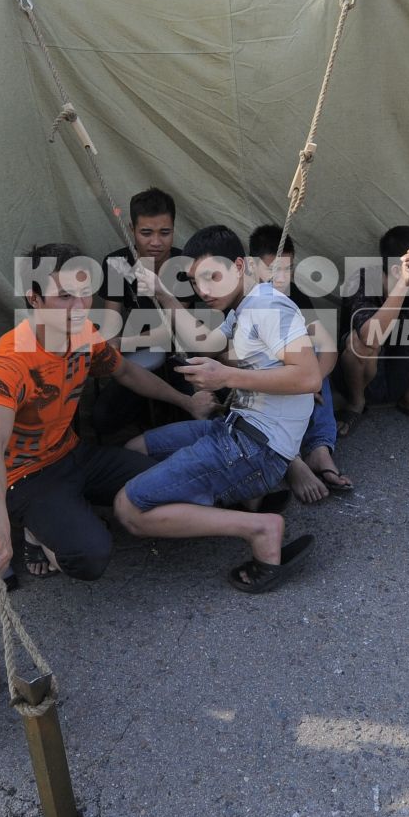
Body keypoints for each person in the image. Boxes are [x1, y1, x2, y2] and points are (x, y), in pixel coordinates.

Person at [0, 243, 212, 585]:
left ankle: (68, 514)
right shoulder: (6, 364)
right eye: (65, 296)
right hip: (25, 477)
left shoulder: (82, 332)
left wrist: (187, 403)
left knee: (172, 484)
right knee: (89, 557)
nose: (79, 307)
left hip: (74, 453)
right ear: (34, 299)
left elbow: (126, 372)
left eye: (85, 294)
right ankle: (35, 534)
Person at [113, 224, 318, 593]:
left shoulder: (269, 307)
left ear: (239, 266)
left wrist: (226, 377)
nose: (203, 290)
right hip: (237, 431)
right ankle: (237, 497)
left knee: (128, 508)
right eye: (195, 281)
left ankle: (260, 530)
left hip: (257, 450)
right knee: (135, 451)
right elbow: (204, 341)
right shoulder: (245, 306)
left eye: (212, 276)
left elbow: (308, 377)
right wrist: (162, 292)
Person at [248, 224, 352, 502]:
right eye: (272, 270)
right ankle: (291, 460)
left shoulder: (294, 294)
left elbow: (328, 346)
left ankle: (319, 449)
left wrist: (312, 380)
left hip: (295, 377)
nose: (280, 278)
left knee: (316, 359)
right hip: (259, 383)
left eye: (286, 269)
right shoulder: (245, 298)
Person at [92, 187, 194, 434]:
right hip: (137, 359)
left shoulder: (184, 265)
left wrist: (123, 341)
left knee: (191, 417)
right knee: (101, 418)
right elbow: (111, 322)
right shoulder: (117, 264)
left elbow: (173, 330)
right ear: (131, 229)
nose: (156, 242)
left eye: (165, 233)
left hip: (180, 355)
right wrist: (112, 343)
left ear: (174, 229)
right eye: (146, 233)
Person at [338, 224, 409, 431]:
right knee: (359, 342)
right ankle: (356, 404)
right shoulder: (362, 280)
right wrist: (403, 284)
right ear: (396, 269)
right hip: (362, 369)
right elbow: (369, 338)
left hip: (400, 358)